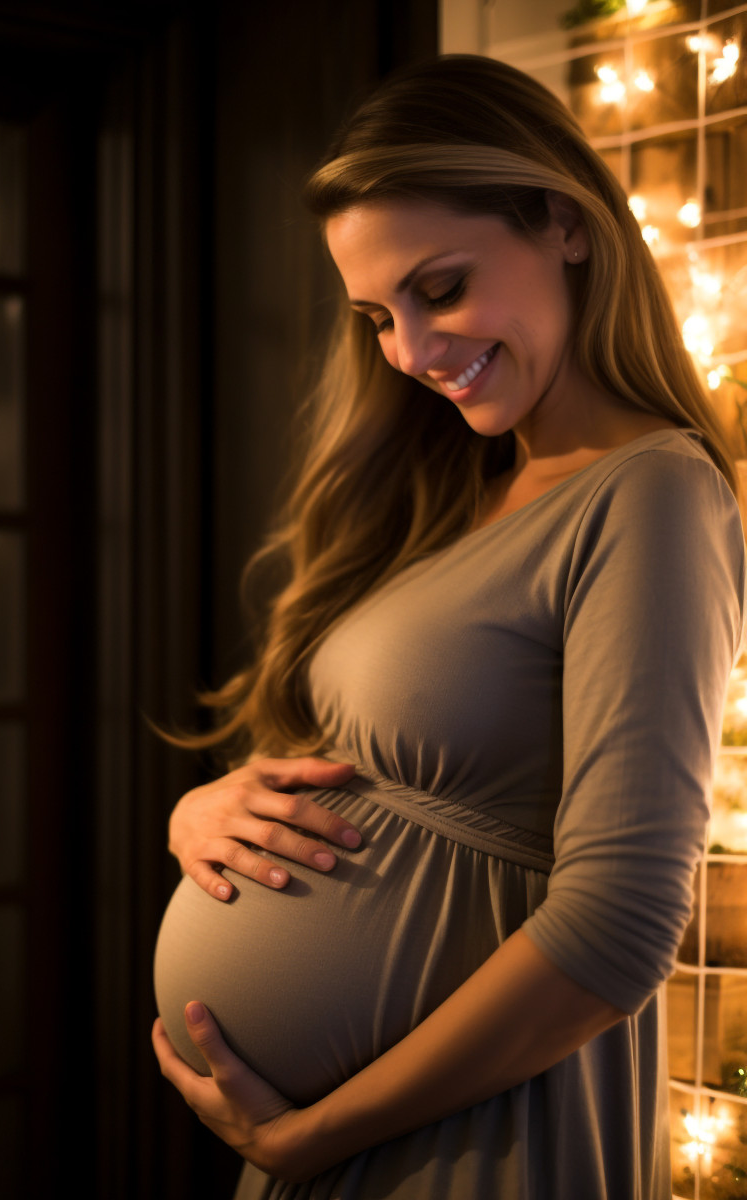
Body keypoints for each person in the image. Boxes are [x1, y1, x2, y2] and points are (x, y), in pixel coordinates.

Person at [151, 54, 746, 1199]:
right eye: (376, 315)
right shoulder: (454, 483)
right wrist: (210, 809)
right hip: (353, 1141)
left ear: (564, 226)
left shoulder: (652, 493)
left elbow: (620, 929)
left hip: (474, 1142)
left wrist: (312, 1136)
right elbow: (375, 762)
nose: (413, 354)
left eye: (442, 289)